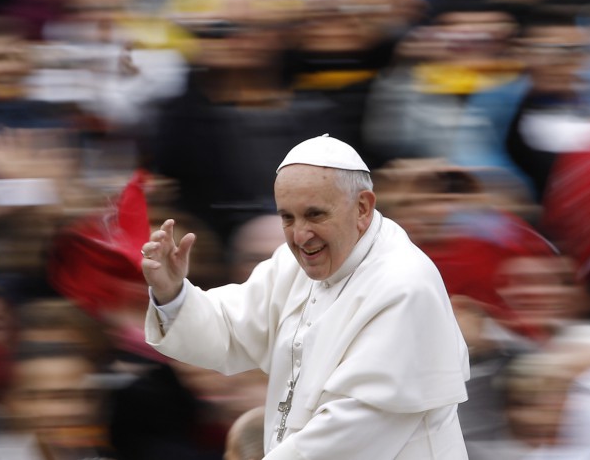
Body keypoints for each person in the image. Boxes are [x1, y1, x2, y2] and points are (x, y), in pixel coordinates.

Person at [140, 134, 470, 459]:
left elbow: (356, 426)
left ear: (362, 208)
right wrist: (172, 293)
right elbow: (230, 327)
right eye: (287, 217)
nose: (300, 235)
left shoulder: (405, 284)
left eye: (314, 214)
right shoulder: (293, 263)